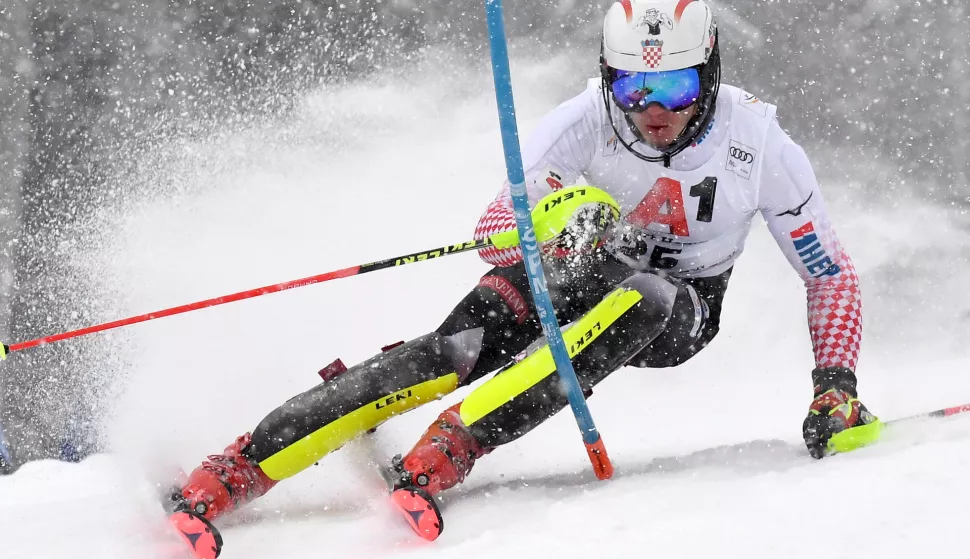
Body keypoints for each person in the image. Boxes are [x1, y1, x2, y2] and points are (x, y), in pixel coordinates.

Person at [166, 0, 881, 554]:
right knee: (450, 352)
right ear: (610, 78)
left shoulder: (759, 142)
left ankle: (453, 446)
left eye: (675, 84)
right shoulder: (584, 121)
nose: (655, 109)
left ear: (711, 72)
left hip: (682, 305)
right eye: (634, 85)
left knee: (647, 293)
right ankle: (237, 466)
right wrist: (557, 221)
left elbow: (829, 273)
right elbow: (490, 228)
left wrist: (836, 386)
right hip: (574, 268)